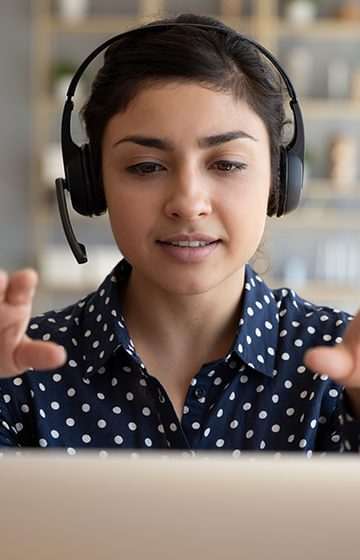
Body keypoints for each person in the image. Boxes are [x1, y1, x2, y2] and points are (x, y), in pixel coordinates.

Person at [0, 13, 359, 454]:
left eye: (226, 164)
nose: (188, 203)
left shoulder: (343, 368)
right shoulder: (19, 369)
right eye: (146, 167)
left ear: (280, 180)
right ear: (92, 185)